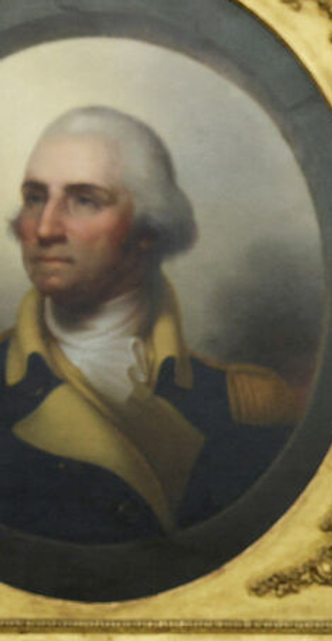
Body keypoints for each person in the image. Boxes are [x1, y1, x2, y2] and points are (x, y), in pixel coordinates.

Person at [0, 106, 299, 545]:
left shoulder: (251, 405)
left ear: (148, 229)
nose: (44, 229)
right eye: (35, 198)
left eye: (84, 200)